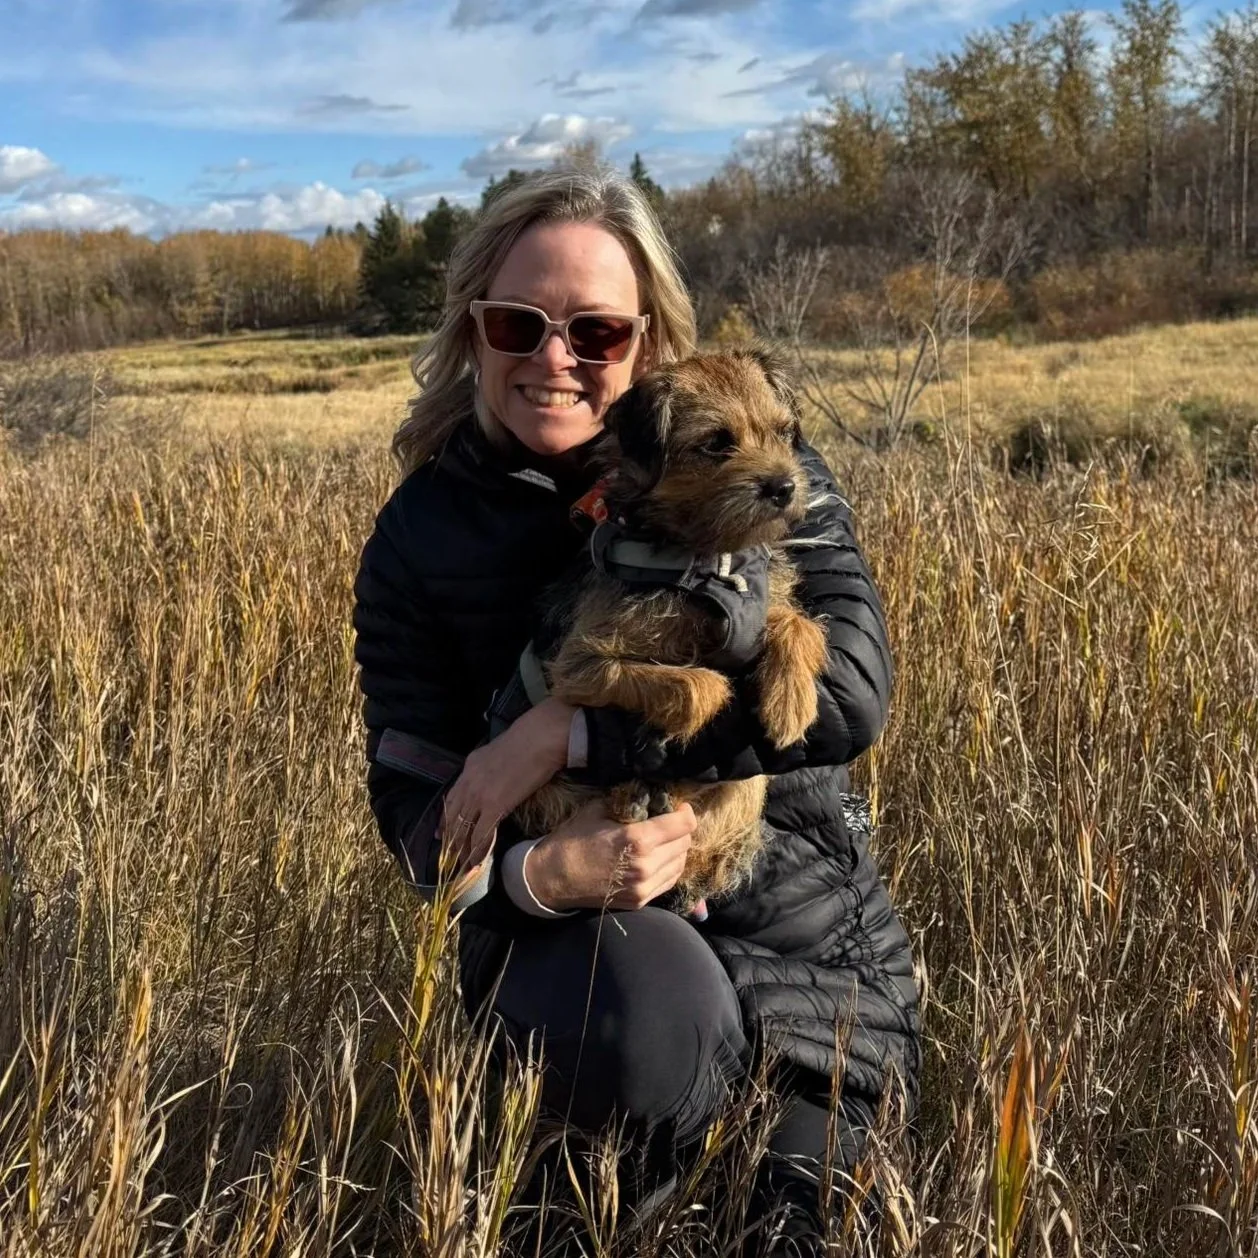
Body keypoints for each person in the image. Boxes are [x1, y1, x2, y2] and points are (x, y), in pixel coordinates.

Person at [352, 165, 920, 1254]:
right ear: (472, 328)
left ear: (647, 338)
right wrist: (534, 877)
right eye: (518, 324)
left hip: (806, 951)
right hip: (593, 953)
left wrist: (569, 731)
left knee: (791, 1230)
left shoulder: (771, 472)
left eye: (597, 331)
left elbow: (847, 698)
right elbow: (419, 816)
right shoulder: (419, 540)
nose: (554, 358)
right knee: (643, 1036)